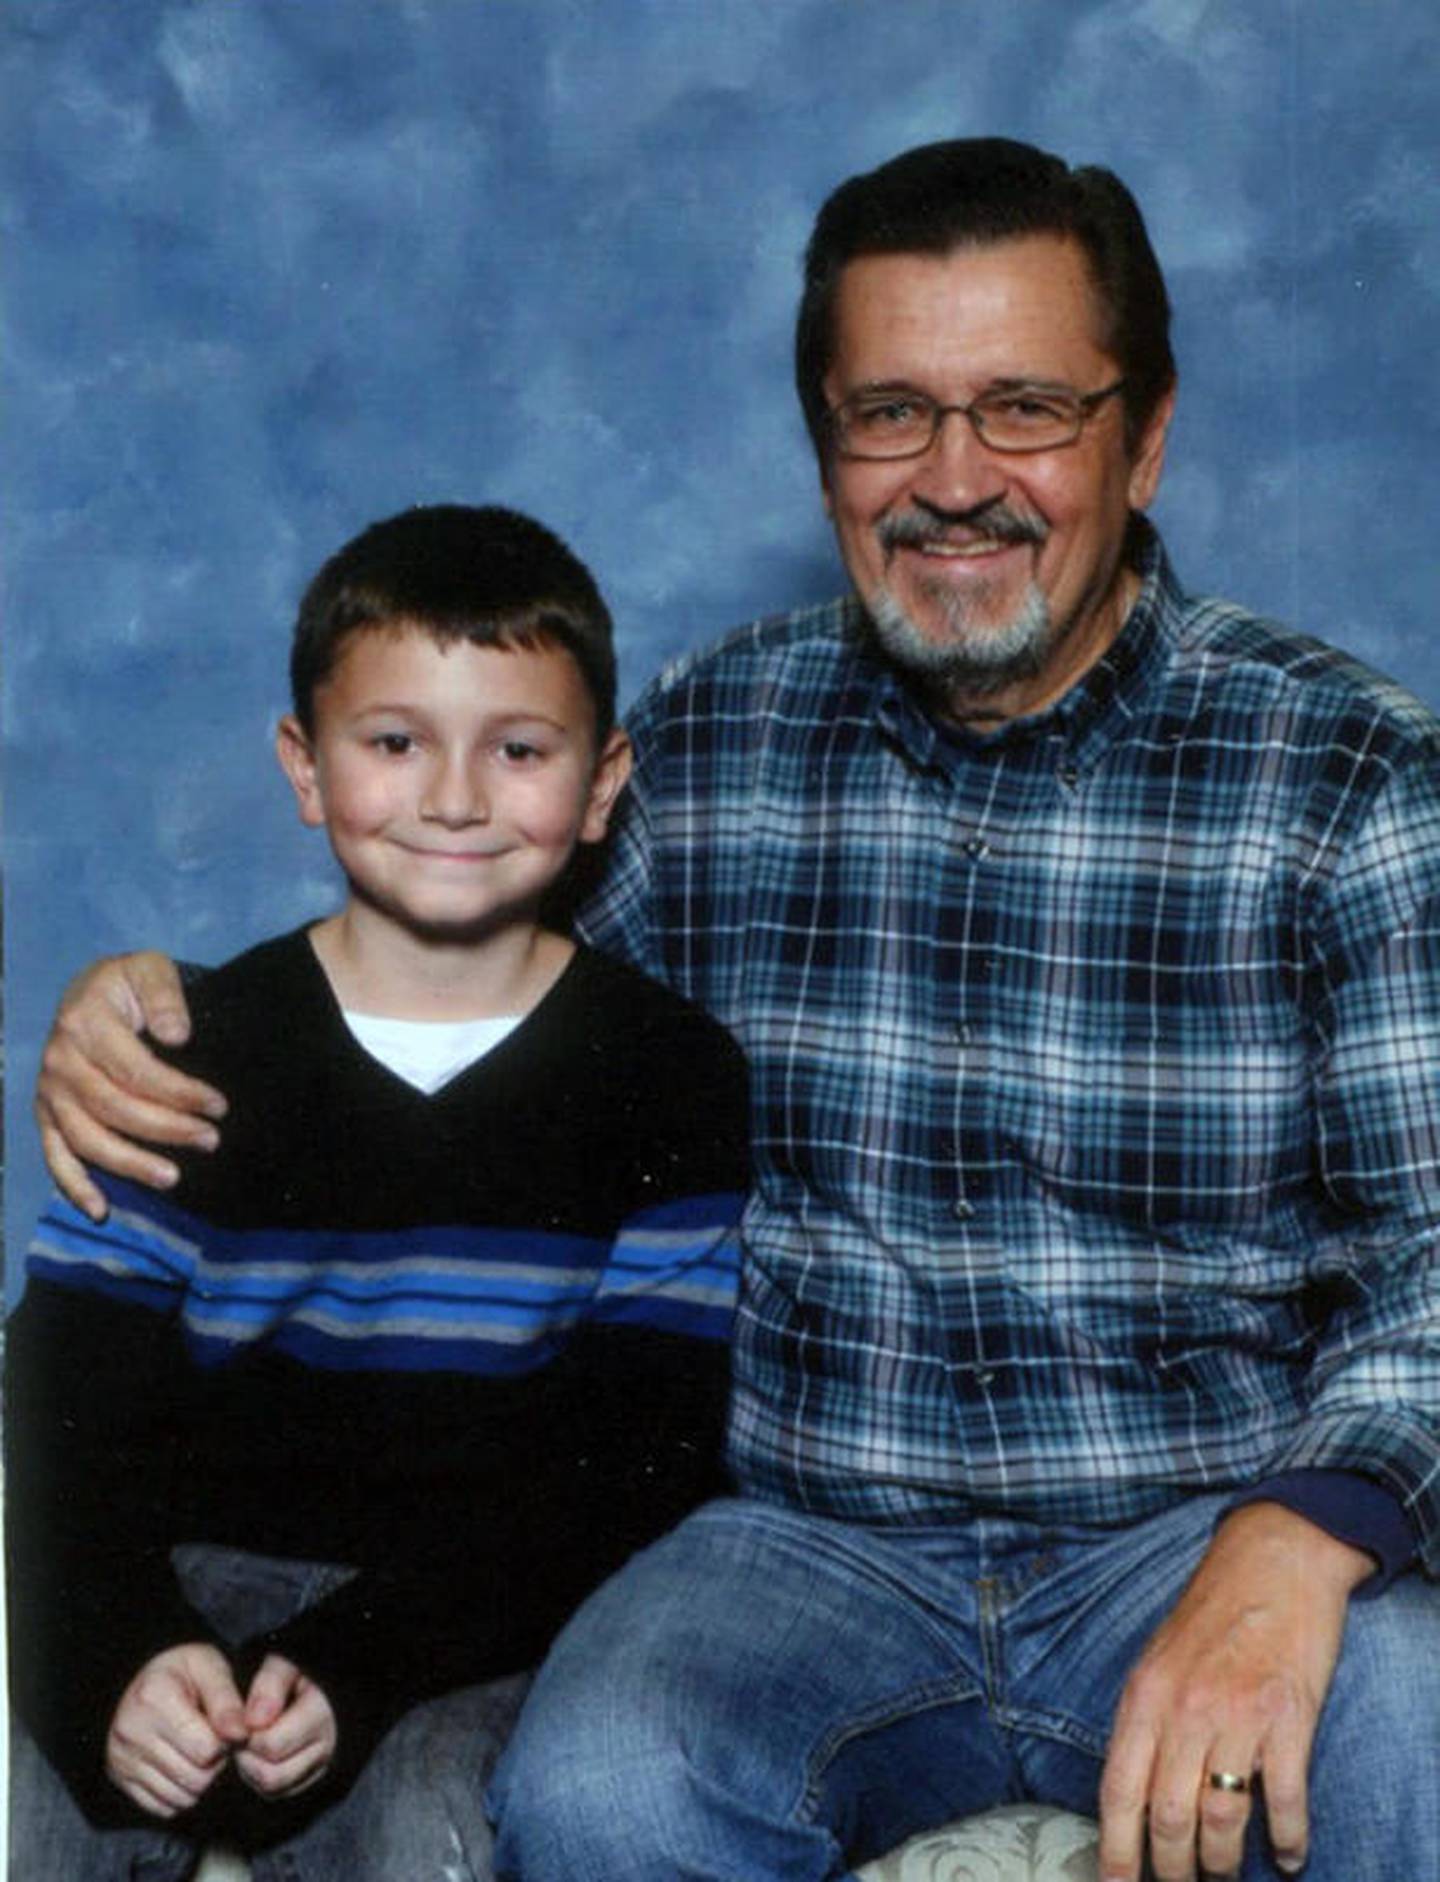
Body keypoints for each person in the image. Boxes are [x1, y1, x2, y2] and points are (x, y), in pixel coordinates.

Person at [32, 138, 1440, 1882]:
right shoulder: (703, 749)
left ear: (1143, 441)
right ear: (826, 450)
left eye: (1024, 410)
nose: (953, 478)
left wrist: (1306, 1534)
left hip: (1187, 1522)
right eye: (889, 414)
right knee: (605, 1778)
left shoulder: (1347, 774)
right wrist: (160, 1011)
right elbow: (437, 971)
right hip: (789, 1544)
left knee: (1414, 1718)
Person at [7, 502, 748, 1879]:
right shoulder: (181, 1052)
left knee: (432, 1826)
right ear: (304, 763)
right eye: (394, 741)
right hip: (182, 1571)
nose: (455, 797)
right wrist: (114, 1656)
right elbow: (63, 1399)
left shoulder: (670, 1077)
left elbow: (636, 1459)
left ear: (602, 783)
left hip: (468, 1611)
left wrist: (360, 1656)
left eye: (518, 749)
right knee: (57, 1806)